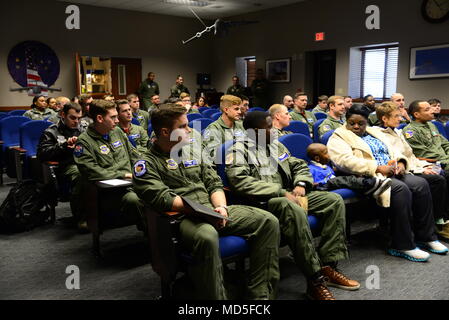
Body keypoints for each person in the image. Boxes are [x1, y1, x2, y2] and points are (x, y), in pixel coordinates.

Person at [132, 105, 280, 300]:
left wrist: (221, 207)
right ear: (165, 131)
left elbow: (213, 182)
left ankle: (260, 295)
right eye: (183, 126)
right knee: (208, 235)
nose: (189, 130)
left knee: (268, 221)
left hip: (213, 209)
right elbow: (164, 198)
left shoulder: (191, 150)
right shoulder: (145, 164)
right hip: (183, 218)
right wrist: (206, 214)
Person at [225, 111, 360, 300]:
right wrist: (281, 192)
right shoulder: (239, 151)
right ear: (255, 131)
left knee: (333, 201)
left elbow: (299, 165)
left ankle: (328, 266)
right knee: (291, 208)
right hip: (265, 202)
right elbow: (241, 182)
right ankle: (315, 279)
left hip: (291, 194)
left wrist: (301, 183)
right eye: (269, 127)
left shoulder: (275, 145)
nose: (274, 130)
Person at [327, 105, 447, 261]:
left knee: (420, 184)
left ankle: (426, 237)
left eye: (361, 123)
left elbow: (393, 150)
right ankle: (402, 244)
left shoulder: (374, 132)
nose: (356, 126)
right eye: (352, 123)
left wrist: (401, 162)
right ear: (346, 121)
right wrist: (377, 167)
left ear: (366, 123)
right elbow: (344, 161)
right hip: (366, 176)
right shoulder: (338, 137)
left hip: (392, 170)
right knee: (400, 189)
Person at [376, 101, 449, 235]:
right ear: (385, 119)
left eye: (400, 115)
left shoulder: (399, 132)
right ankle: (439, 221)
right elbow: (400, 157)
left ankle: (440, 219)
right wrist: (421, 168)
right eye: (397, 116)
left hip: (416, 164)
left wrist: (422, 167)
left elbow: (411, 155)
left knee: (437, 177)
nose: (401, 118)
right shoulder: (398, 132)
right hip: (405, 168)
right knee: (438, 178)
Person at [73, 99, 144, 231]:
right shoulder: (84, 142)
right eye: (113, 117)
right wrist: (123, 175)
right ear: (100, 118)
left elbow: (134, 155)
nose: (117, 120)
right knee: (135, 199)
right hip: (109, 193)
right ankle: (154, 238)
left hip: (133, 183)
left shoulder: (117, 132)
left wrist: (145, 170)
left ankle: (159, 235)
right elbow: (92, 172)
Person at [403, 100, 449, 239]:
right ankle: (441, 221)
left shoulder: (432, 126)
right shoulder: (410, 131)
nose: (432, 111)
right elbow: (424, 154)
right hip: (429, 163)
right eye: (427, 109)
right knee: (444, 177)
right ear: (417, 114)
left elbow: (445, 144)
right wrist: (446, 160)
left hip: (443, 160)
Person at [37, 102, 86, 231]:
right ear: (63, 115)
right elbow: (42, 155)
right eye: (73, 118)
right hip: (65, 166)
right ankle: (81, 218)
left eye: (79, 118)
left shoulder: (84, 129)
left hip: (86, 162)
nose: (77, 122)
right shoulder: (51, 132)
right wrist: (63, 146)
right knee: (80, 175)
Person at [307, 143, 391, 199]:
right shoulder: (311, 169)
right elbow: (312, 184)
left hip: (332, 182)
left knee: (350, 174)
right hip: (323, 187)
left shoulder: (325, 165)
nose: (329, 155)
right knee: (342, 180)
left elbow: (332, 172)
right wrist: (322, 183)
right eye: (326, 153)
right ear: (317, 158)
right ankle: (371, 184)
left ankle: (370, 185)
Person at [203, 95, 246, 161]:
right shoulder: (213, 129)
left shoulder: (240, 125)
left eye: (240, 109)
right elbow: (215, 155)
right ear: (226, 110)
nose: (239, 112)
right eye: (236, 109)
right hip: (227, 166)